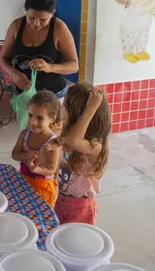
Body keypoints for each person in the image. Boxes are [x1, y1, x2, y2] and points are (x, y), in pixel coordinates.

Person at [0, 0, 79, 102]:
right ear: (25, 11)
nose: (36, 24)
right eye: (31, 18)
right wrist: (13, 74)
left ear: (52, 13)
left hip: (53, 96)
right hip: (23, 94)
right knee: (25, 120)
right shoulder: (16, 27)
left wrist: (49, 67)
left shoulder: (59, 29)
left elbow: (73, 66)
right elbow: (3, 58)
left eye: (43, 20)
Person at [52, 83, 111, 225]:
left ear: (77, 114)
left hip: (81, 208)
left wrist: (90, 109)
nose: (61, 106)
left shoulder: (94, 145)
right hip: (60, 198)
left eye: (65, 104)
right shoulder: (67, 134)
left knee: (75, 243)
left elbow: (74, 141)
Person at [11, 91, 61, 208]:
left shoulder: (53, 142)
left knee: (40, 219)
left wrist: (34, 169)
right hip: (23, 182)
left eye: (40, 118)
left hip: (43, 188)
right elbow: (14, 154)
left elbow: (52, 170)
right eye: (30, 115)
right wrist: (25, 155)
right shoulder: (25, 134)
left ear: (52, 119)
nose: (33, 122)